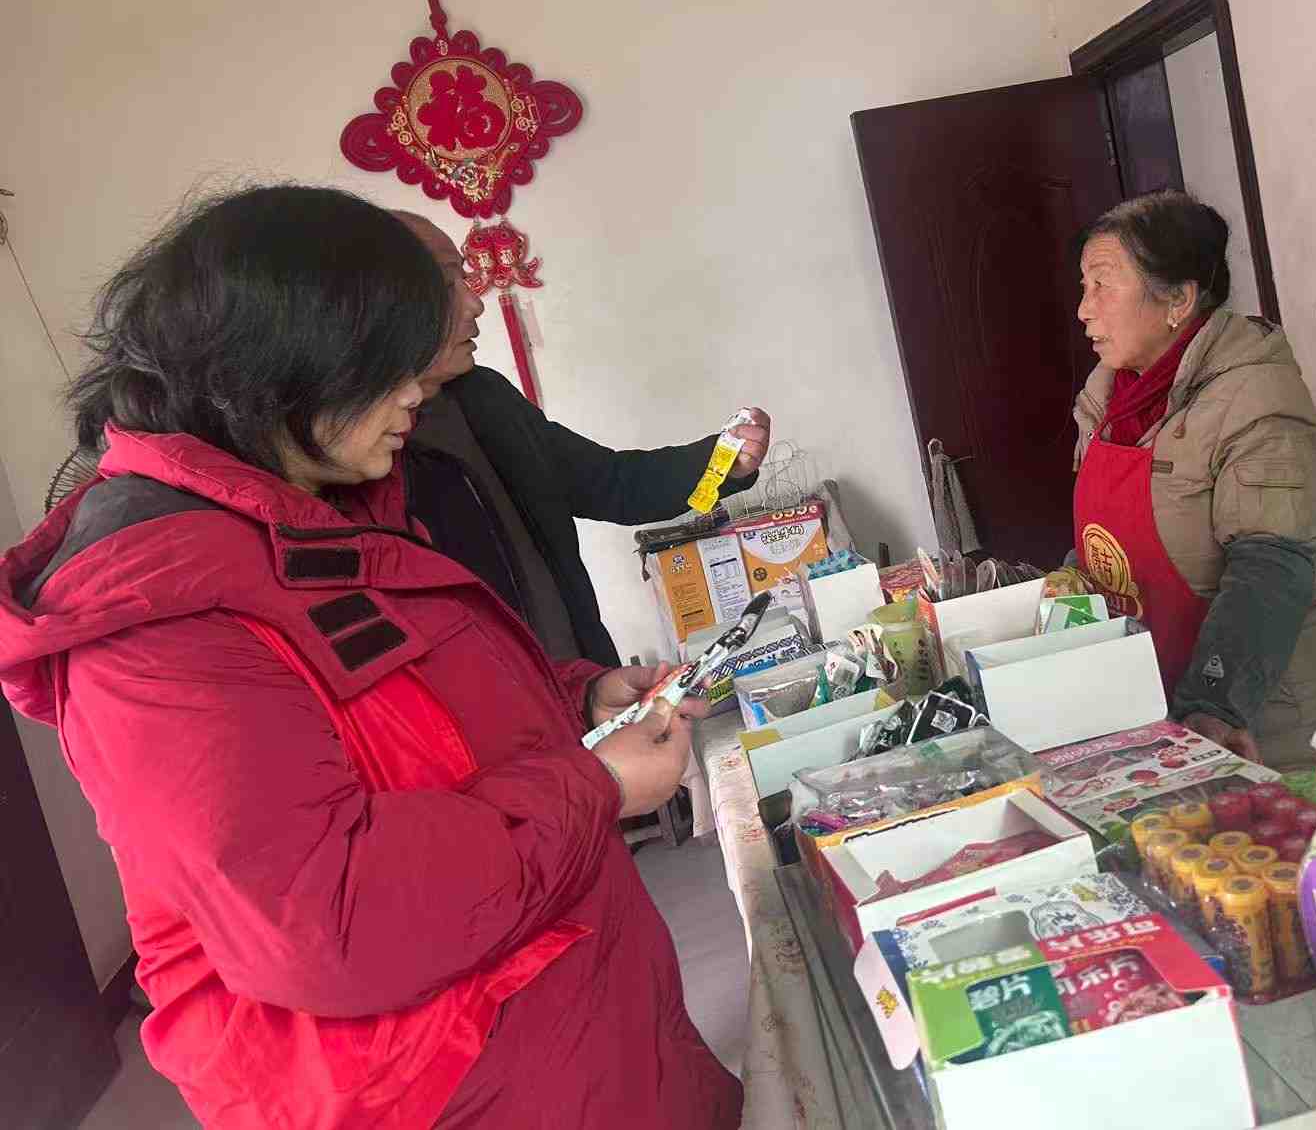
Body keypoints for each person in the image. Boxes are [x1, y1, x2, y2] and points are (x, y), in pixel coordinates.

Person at [0, 187, 742, 1129]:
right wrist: (592, 785)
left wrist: (581, 697)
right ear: (284, 365)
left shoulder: (322, 512)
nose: (418, 391)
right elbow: (327, 919)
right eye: (393, 363)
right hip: (446, 1083)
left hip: (572, 1016)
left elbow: (419, 707)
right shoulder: (155, 624)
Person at [394, 210, 772, 667]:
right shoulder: (365, 466)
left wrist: (724, 460)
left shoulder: (484, 397)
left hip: (583, 680)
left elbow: (612, 483)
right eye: (444, 283)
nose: (475, 304)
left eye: (464, 278)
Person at [1071, 191, 1316, 770]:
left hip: (1254, 719)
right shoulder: (1107, 398)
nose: (1084, 309)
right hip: (1150, 697)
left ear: (1178, 300)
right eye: (1084, 287)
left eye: (1103, 285)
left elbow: (1271, 565)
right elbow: (1109, 540)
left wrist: (1213, 704)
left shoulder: (1257, 397)